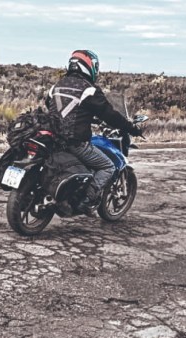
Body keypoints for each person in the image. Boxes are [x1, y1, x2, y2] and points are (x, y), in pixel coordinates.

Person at [45, 50, 142, 215]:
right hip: (75, 143)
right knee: (108, 167)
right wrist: (131, 128)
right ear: (89, 67)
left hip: (54, 140)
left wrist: (86, 118)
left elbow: (52, 107)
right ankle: (85, 202)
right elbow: (110, 114)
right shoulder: (89, 90)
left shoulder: (57, 86)